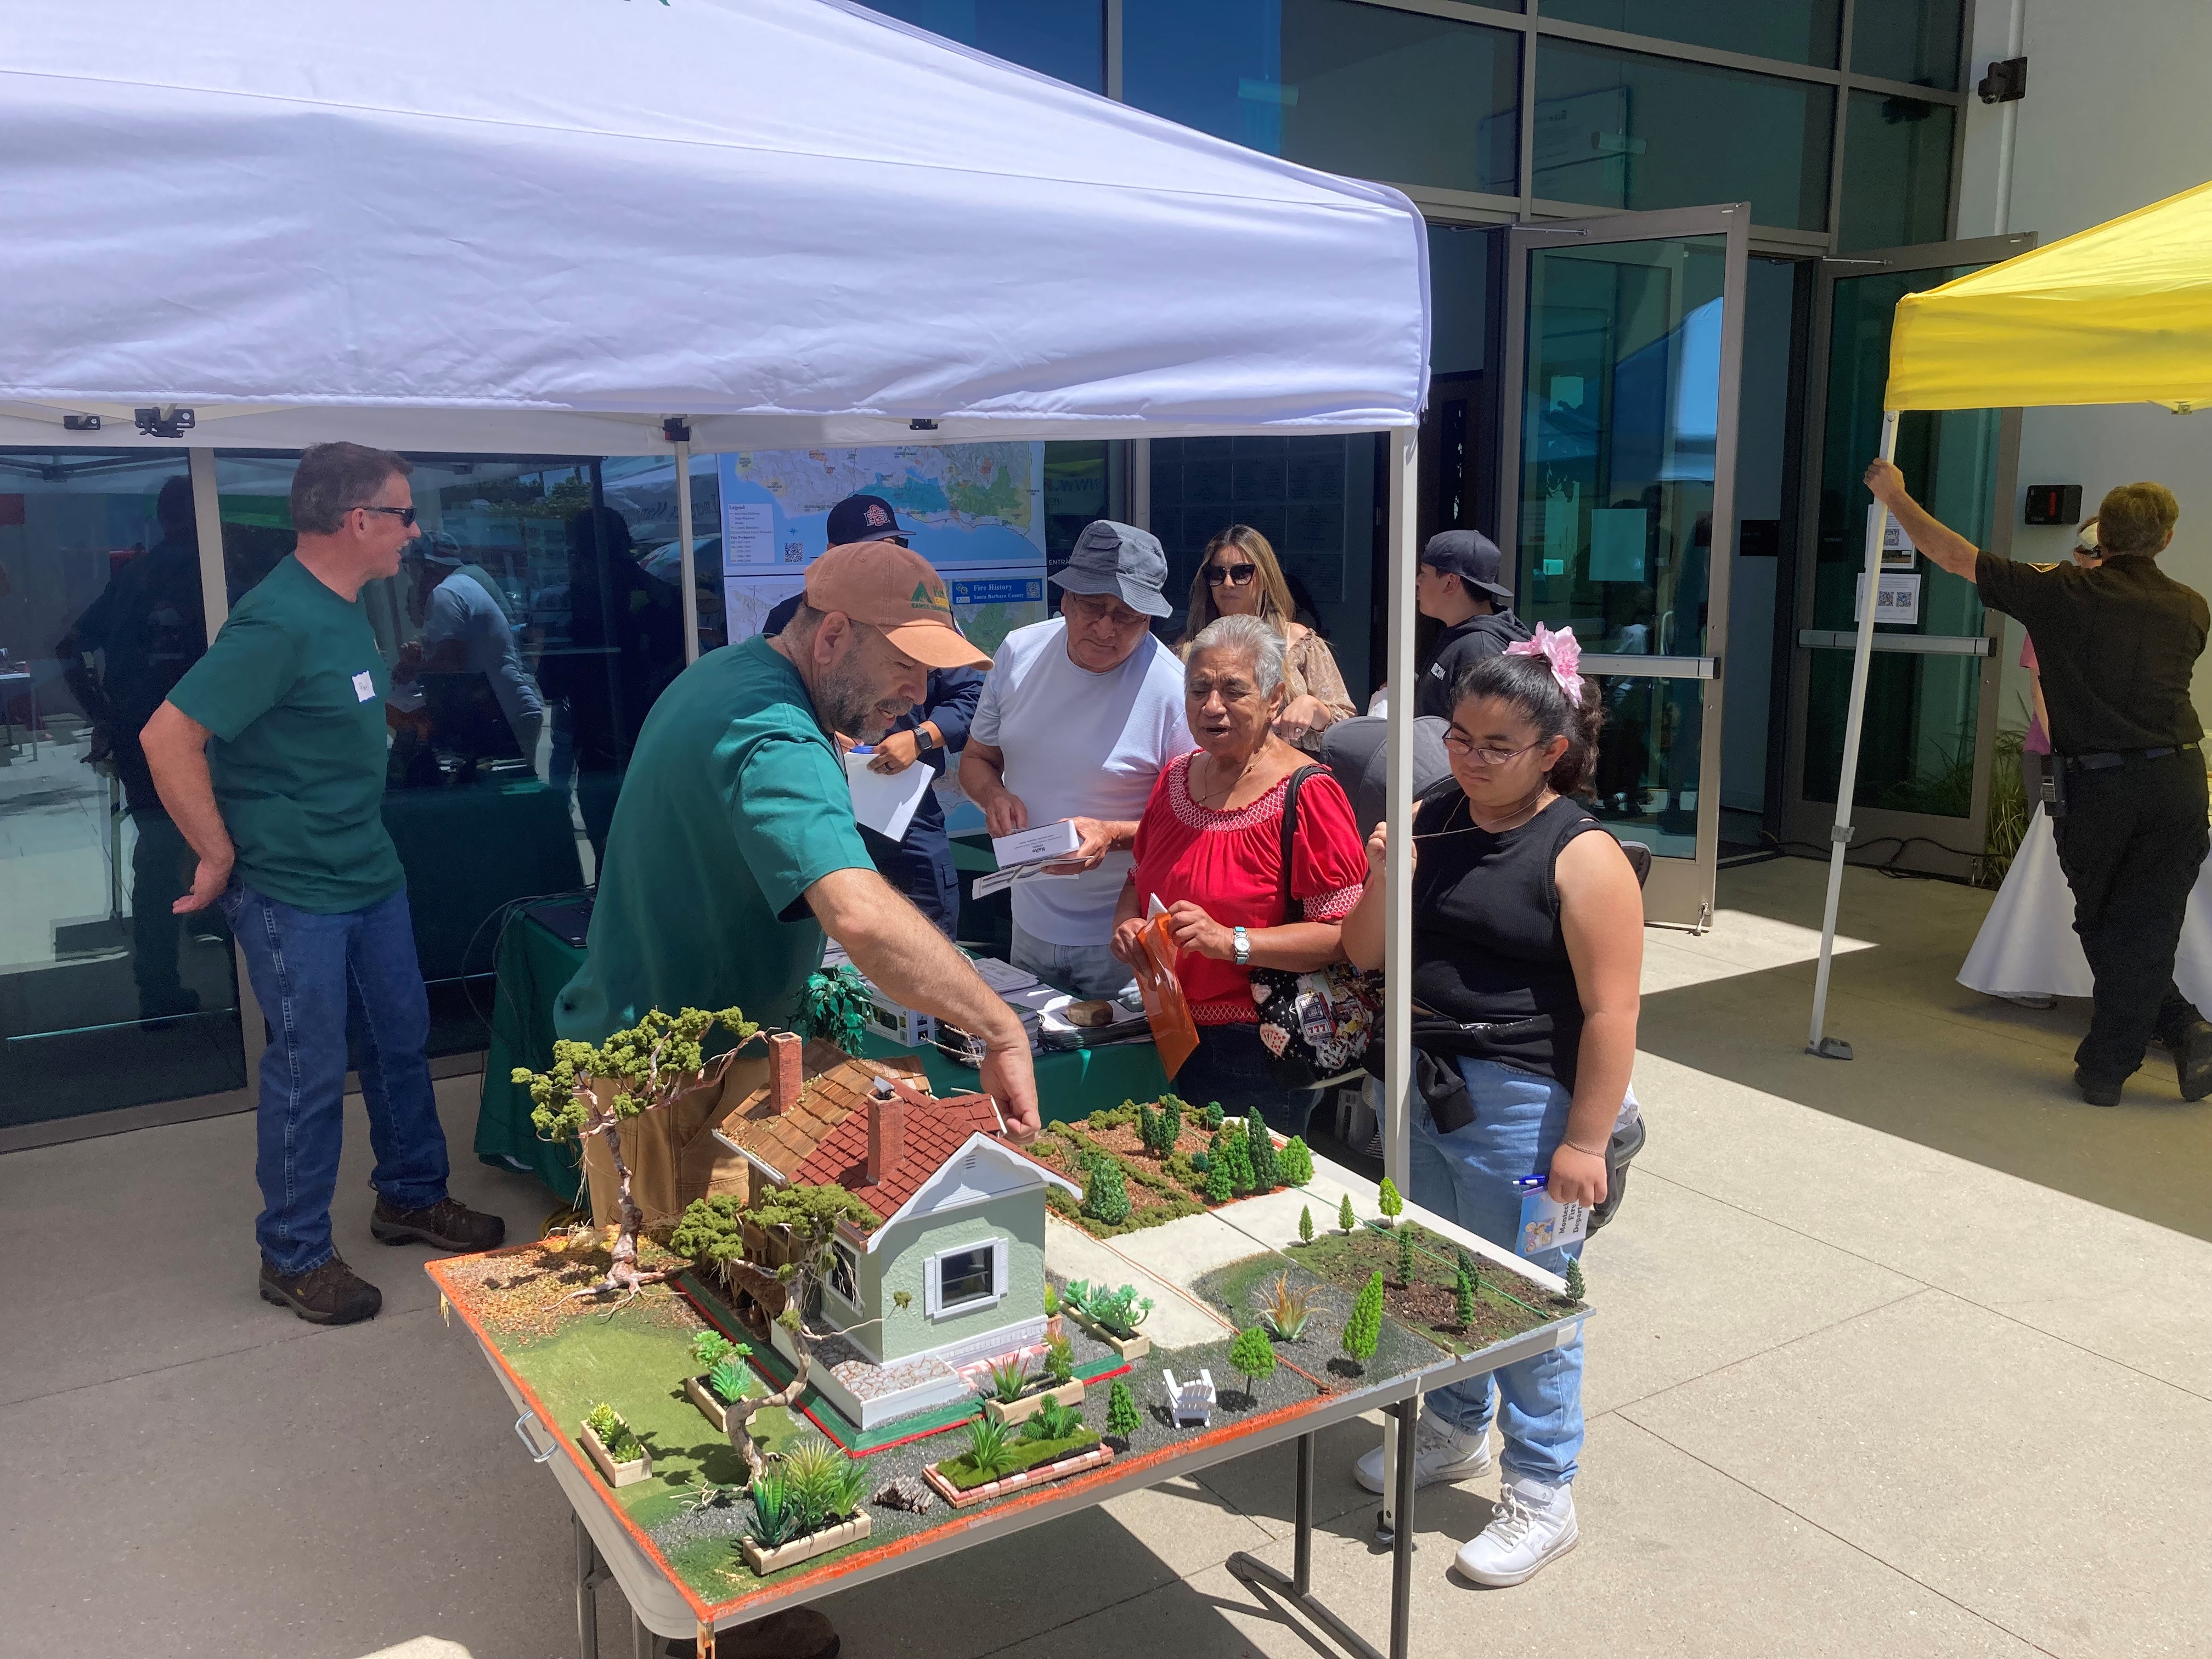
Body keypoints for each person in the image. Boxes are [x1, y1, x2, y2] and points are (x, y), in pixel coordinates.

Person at [140, 443, 506, 1328]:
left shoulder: (345, 608)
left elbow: (323, 707)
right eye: (404, 515)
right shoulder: (276, 620)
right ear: (358, 520)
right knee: (309, 1067)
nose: (414, 532)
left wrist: (397, 716)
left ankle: (411, 1194)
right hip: (293, 886)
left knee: (399, 1037)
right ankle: (294, 1253)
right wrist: (216, 854)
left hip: (367, 871)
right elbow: (167, 736)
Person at [1339, 627, 1644, 1588]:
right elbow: (1362, 952)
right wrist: (1387, 874)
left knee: (1527, 1292)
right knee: (1434, 1270)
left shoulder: (1582, 852)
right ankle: (1456, 1422)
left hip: (1522, 1100)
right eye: (1459, 737)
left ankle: (1544, 1489)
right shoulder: (1431, 813)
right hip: (1416, 1078)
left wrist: (1584, 1141)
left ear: (1551, 750)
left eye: (1496, 745)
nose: (1469, 758)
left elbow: (1613, 1012)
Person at [555, 540, 1041, 1141]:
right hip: (684, 1077)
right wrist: (1001, 1030)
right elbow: (860, 917)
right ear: (832, 637)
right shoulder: (780, 736)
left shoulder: (725, 670)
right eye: (904, 665)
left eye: (928, 673)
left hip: (643, 1039)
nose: (920, 694)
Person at [1868, 462, 2212, 1105]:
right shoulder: (2193, 606)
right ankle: (2179, 1029)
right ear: (2166, 539)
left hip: (2098, 784)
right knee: (2148, 921)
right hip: (2178, 779)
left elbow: (1952, 555)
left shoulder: (2060, 591)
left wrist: (1896, 496)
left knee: (2103, 920)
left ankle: (2109, 1068)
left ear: (2103, 536)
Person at [1110, 614, 1367, 1133]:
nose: (1212, 706)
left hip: (1258, 1047)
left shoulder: (1309, 793)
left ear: (1274, 700)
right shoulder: (1176, 777)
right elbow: (1138, 878)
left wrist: (1232, 942)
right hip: (1167, 1028)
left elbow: (1344, 935)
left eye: (1233, 690)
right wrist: (1126, 925)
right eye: (1199, 689)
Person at [960, 521, 1191, 998]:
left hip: (1124, 940)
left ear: (1149, 620)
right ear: (1065, 599)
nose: (1106, 628)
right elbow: (977, 758)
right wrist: (994, 795)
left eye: (1127, 615)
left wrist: (1111, 834)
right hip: (1028, 922)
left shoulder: (1174, 690)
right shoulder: (1019, 652)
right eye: (1093, 606)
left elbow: (1196, 824)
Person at [764, 495, 980, 936]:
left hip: (907, 808)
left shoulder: (927, 617)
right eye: (872, 551)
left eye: (895, 546)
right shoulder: (793, 619)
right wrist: (826, 734)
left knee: (930, 939)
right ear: (833, 556)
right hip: (827, 804)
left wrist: (920, 738)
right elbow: (775, 703)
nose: (889, 560)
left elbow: (972, 695)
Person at [55, 475, 211, 1024]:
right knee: (218, 846)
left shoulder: (134, 576)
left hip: (139, 733)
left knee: (160, 854)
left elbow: (69, 647)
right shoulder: (209, 573)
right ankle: (234, 988)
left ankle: (159, 985)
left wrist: (104, 714)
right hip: (201, 735)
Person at [1176, 524, 1355, 750]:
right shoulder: (1188, 648)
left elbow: (1346, 728)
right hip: (1211, 766)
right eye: (1217, 574)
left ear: (1264, 578)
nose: (1228, 584)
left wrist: (1314, 708)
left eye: (1242, 573)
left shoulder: (1297, 642)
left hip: (1287, 766)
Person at [394, 532, 544, 763]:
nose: (412, 577)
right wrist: (424, 659)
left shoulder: (445, 593)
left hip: (503, 716)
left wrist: (412, 669)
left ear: (429, 567)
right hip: (510, 709)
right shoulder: (462, 586)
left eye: (412, 568)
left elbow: (452, 664)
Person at [1415, 529, 1532, 719]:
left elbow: (1482, 732)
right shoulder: (1460, 630)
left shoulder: (1481, 651)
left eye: (1423, 572)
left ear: (1450, 583)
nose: (1417, 581)